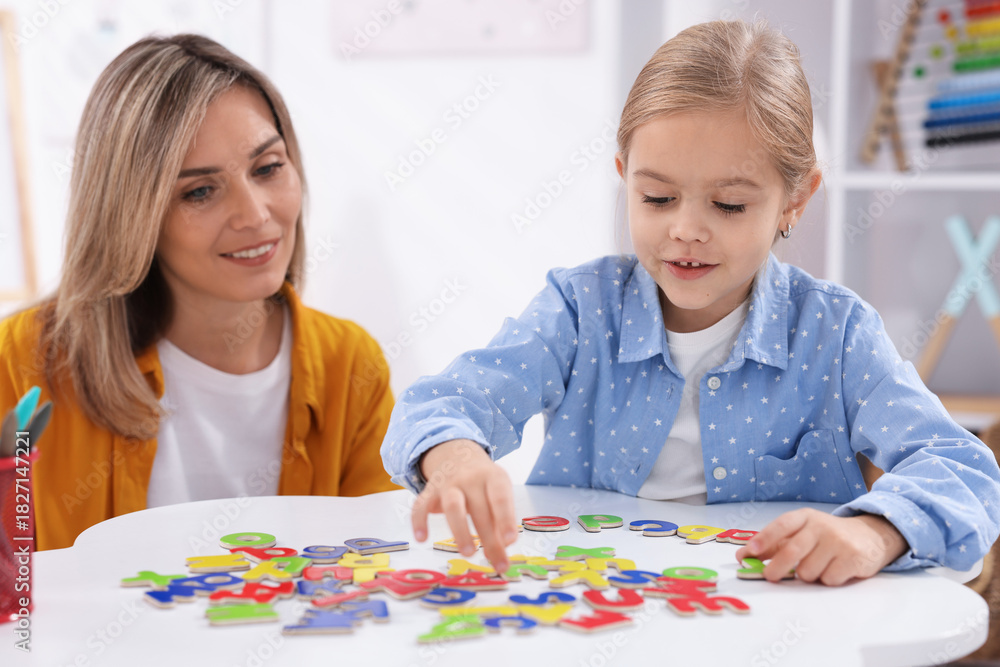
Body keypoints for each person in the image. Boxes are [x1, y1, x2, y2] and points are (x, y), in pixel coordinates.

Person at [381, 19, 1000, 585]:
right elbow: (442, 402)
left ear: (795, 200)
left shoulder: (835, 335)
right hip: (596, 614)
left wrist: (872, 533)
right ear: (625, 175)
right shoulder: (578, 309)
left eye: (729, 205)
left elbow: (966, 471)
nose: (686, 229)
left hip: (778, 625)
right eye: (656, 198)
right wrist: (456, 459)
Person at [0, 35, 397, 551]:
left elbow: (378, 577)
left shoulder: (350, 364)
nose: (256, 215)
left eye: (268, 168)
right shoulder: (22, 364)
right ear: (131, 217)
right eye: (200, 191)